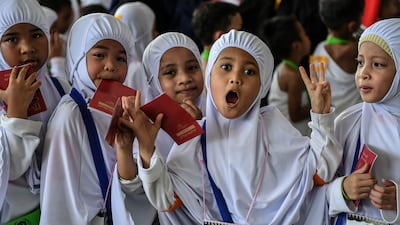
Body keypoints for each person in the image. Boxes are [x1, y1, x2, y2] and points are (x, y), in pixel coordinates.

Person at [120, 29, 342, 224]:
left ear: (262, 85)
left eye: (249, 72)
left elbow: (319, 172)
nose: (235, 79)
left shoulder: (273, 127)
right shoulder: (197, 137)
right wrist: (147, 149)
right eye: (226, 67)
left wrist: (321, 115)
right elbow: (167, 199)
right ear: (209, 77)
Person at [39, 13, 155, 225]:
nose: (111, 65)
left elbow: (130, 182)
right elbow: (60, 198)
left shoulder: (123, 108)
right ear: (78, 59)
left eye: (121, 58)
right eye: (99, 55)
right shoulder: (71, 114)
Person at [115, 31, 206, 225]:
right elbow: (134, 188)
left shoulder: (219, 114)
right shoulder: (146, 125)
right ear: (154, 81)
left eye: (192, 67)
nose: (184, 78)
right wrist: (126, 148)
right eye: (170, 73)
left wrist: (199, 127)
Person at [0, 0, 70, 224]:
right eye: (12, 39)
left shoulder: (61, 89)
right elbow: (11, 168)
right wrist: (17, 111)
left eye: (36, 35)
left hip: (59, 211)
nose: (27, 47)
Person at [325, 18, 400, 225]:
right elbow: (315, 189)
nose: (363, 74)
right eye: (360, 63)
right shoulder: (348, 122)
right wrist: (342, 189)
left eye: (378, 64)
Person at [309, 0, 364, 117]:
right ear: (352, 26)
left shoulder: (318, 50)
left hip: (330, 118)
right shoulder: (354, 49)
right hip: (355, 118)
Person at [260, 15, 312, 136]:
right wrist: (317, 104)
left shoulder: (284, 68)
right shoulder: (293, 77)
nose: (308, 37)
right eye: (304, 34)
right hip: (291, 136)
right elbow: (295, 115)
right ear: (296, 46)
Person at [114, 1, 158, 92]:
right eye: (153, 30)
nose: (157, 34)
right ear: (141, 33)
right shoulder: (144, 70)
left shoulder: (113, 67)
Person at [192, 1, 242, 70]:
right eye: (238, 31)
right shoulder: (212, 72)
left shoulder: (203, 60)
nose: (243, 35)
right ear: (220, 37)